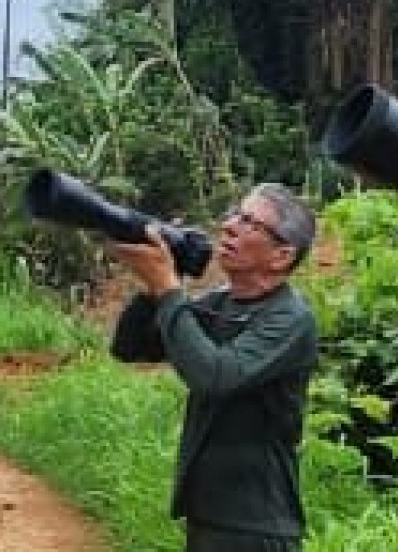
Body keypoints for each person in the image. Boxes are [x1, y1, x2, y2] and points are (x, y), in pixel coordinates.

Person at [107, 183, 320, 552]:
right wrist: (152, 289)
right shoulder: (220, 303)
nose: (230, 226)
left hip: (256, 527)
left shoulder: (290, 318)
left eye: (250, 223)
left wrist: (169, 289)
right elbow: (130, 348)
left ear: (281, 255)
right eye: (236, 214)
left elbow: (214, 376)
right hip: (210, 515)